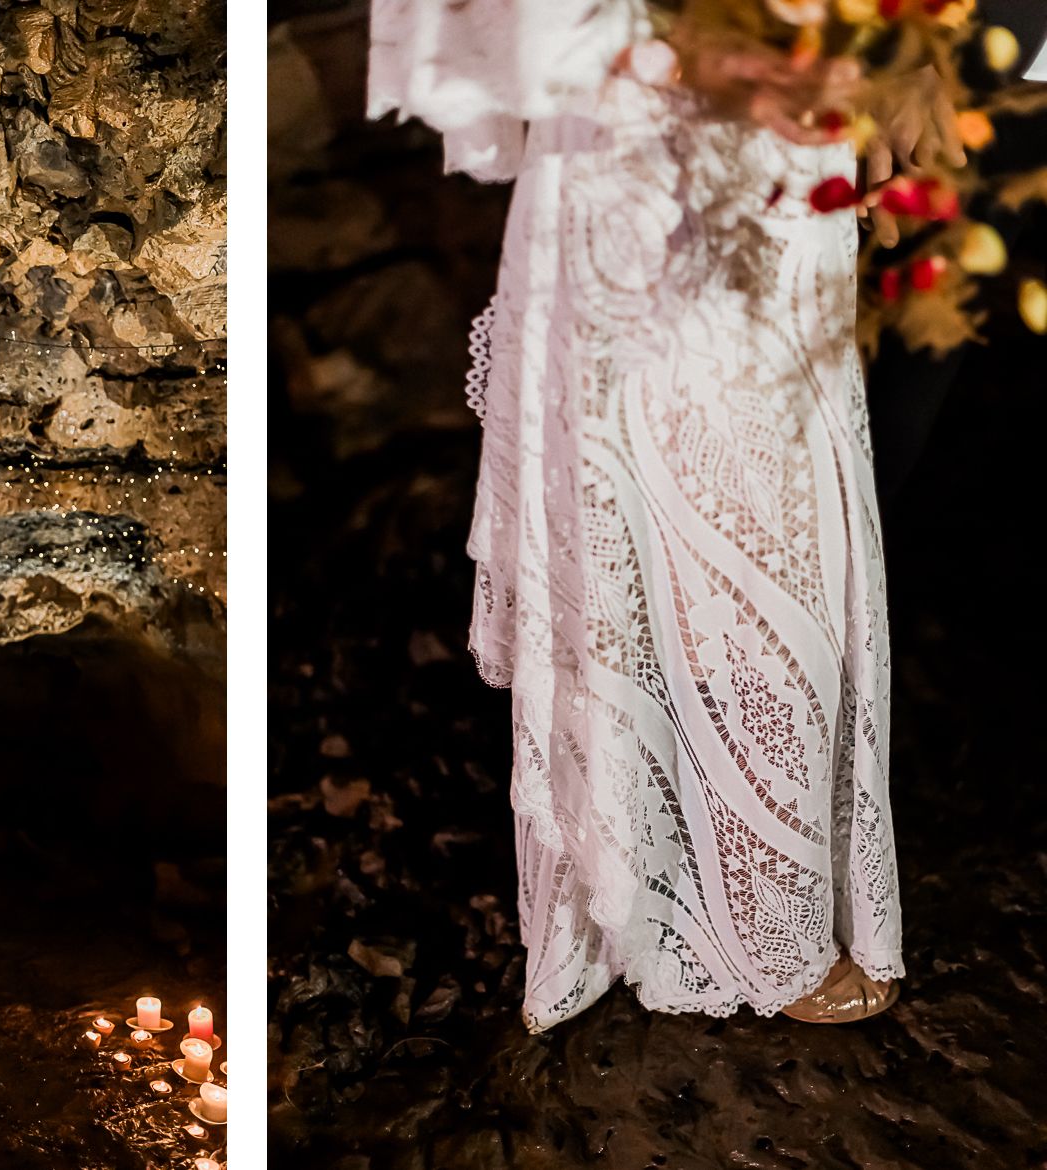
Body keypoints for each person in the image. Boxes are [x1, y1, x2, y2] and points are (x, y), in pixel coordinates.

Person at [367, 3, 945, 1029]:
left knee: (773, 494)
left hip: (795, 82)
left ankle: (742, 888)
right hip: (668, 81)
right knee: (714, 503)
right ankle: (737, 910)